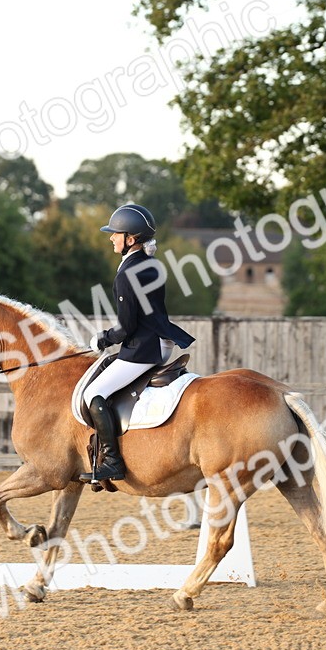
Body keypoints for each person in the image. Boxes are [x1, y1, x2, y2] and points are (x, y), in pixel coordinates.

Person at [79, 203, 195, 484]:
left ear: (130, 239)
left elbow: (126, 328)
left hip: (144, 348)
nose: (111, 237)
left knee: (93, 394)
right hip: (159, 340)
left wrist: (102, 339)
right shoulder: (150, 264)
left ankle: (112, 462)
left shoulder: (127, 273)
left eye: (115, 233)